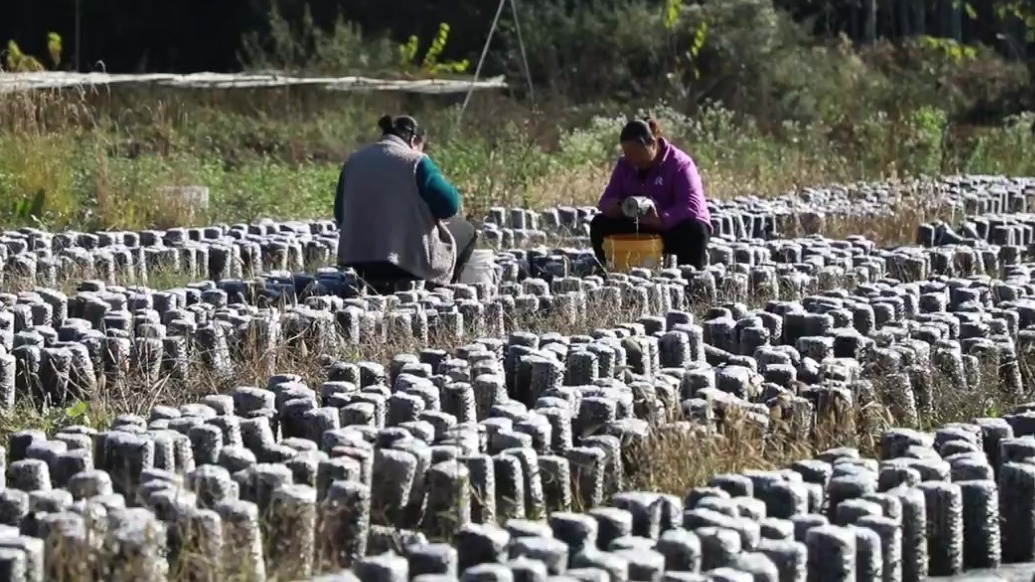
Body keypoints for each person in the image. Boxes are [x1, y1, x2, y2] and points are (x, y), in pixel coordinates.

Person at [335, 115, 478, 291]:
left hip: (359, 262)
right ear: (414, 140)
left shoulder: (353, 161)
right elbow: (450, 206)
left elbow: (340, 214)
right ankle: (440, 291)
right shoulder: (416, 162)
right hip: (404, 264)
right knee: (466, 229)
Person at [590, 118, 712, 269]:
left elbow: (690, 206)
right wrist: (620, 208)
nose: (633, 160)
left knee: (694, 231)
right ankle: (609, 268)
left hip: (671, 225)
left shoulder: (680, 164)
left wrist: (662, 219)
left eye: (637, 154)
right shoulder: (625, 165)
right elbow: (606, 200)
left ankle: (689, 279)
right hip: (639, 224)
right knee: (599, 224)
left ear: (653, 144)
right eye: (628, 154)